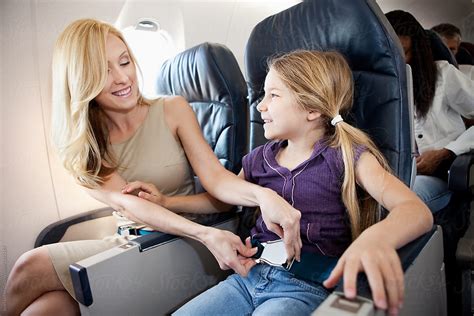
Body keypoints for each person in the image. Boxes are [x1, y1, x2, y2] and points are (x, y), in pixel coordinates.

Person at [5, 19, 303, 316]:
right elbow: (129, 204)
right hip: (129, 243)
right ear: (82, 80)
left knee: (30, 265)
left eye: (124, 62)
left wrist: (263, 197)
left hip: (177, 243)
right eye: (104, 71)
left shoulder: (172, 109)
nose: (123, 78)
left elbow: (217, 181)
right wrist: (200, 231)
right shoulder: (84, 143)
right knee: (45, 309)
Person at [126, 50, 432, 315]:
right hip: (248, 277)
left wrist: (376, 239)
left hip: (305, 287)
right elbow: (222, 199)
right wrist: (167, 202)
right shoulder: (260, 158)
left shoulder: (348, 157)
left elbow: (415, 210)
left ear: (312, 109)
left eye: (273, 95)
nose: (260, 106)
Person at [385, 10, 474, 214]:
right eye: (392, 53)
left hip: (435, 176)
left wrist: (446, 152)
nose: (400, 61)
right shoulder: (378, 85)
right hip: (392, 175)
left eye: (405, 52)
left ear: (418, 51)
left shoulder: (442, 75)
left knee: (401, 202)